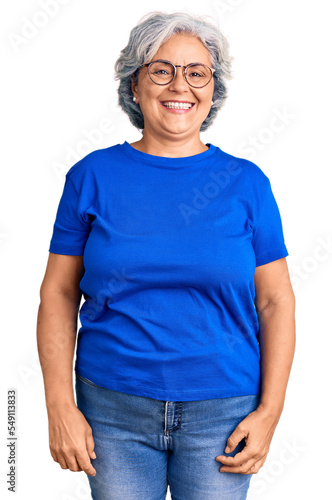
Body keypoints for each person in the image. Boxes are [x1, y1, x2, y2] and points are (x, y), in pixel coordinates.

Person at [37, 10, 296, 500]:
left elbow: (276, 302)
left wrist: (270, 412)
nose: (181, 85)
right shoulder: (91, 176)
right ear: (135, 84)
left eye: (197, 72)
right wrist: (59, 406)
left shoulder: (247, 184)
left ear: (212, 89)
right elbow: (59, 291)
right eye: (161, 69)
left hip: (225, 412)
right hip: (112, 408)